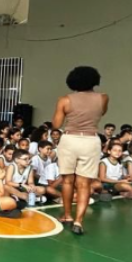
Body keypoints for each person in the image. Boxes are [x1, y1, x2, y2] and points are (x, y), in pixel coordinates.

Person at [52, 66, 109, 235]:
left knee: (68, 181)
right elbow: (101, 113)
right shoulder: (103, 98)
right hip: (91, 140)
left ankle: (67, 215)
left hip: (70, 139)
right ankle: (79, 221)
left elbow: (56, 125)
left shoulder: (65, 100)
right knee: (84, 184)